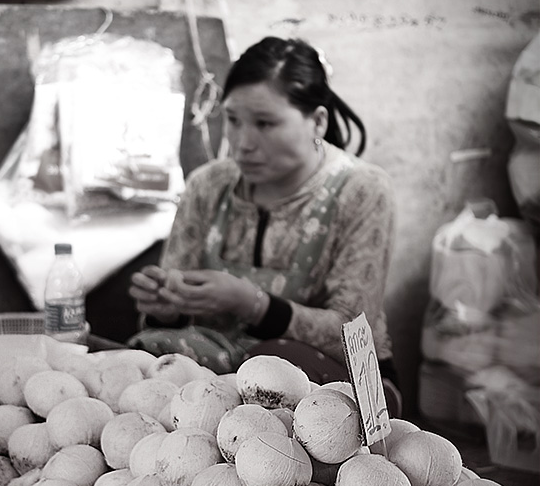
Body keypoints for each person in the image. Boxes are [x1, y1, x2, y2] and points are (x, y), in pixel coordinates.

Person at [128, 36, 397, 393]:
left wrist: (253, 305)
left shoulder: (361, 191)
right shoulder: (208, 186)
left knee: (273, 371)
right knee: (143, 364)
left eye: (265, 124)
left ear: (317, 122)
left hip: (339, 381)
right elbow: (177, 316)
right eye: (234, 120)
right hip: (223, 370)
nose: (243, 143)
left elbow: (350, 333)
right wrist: (166, 306)